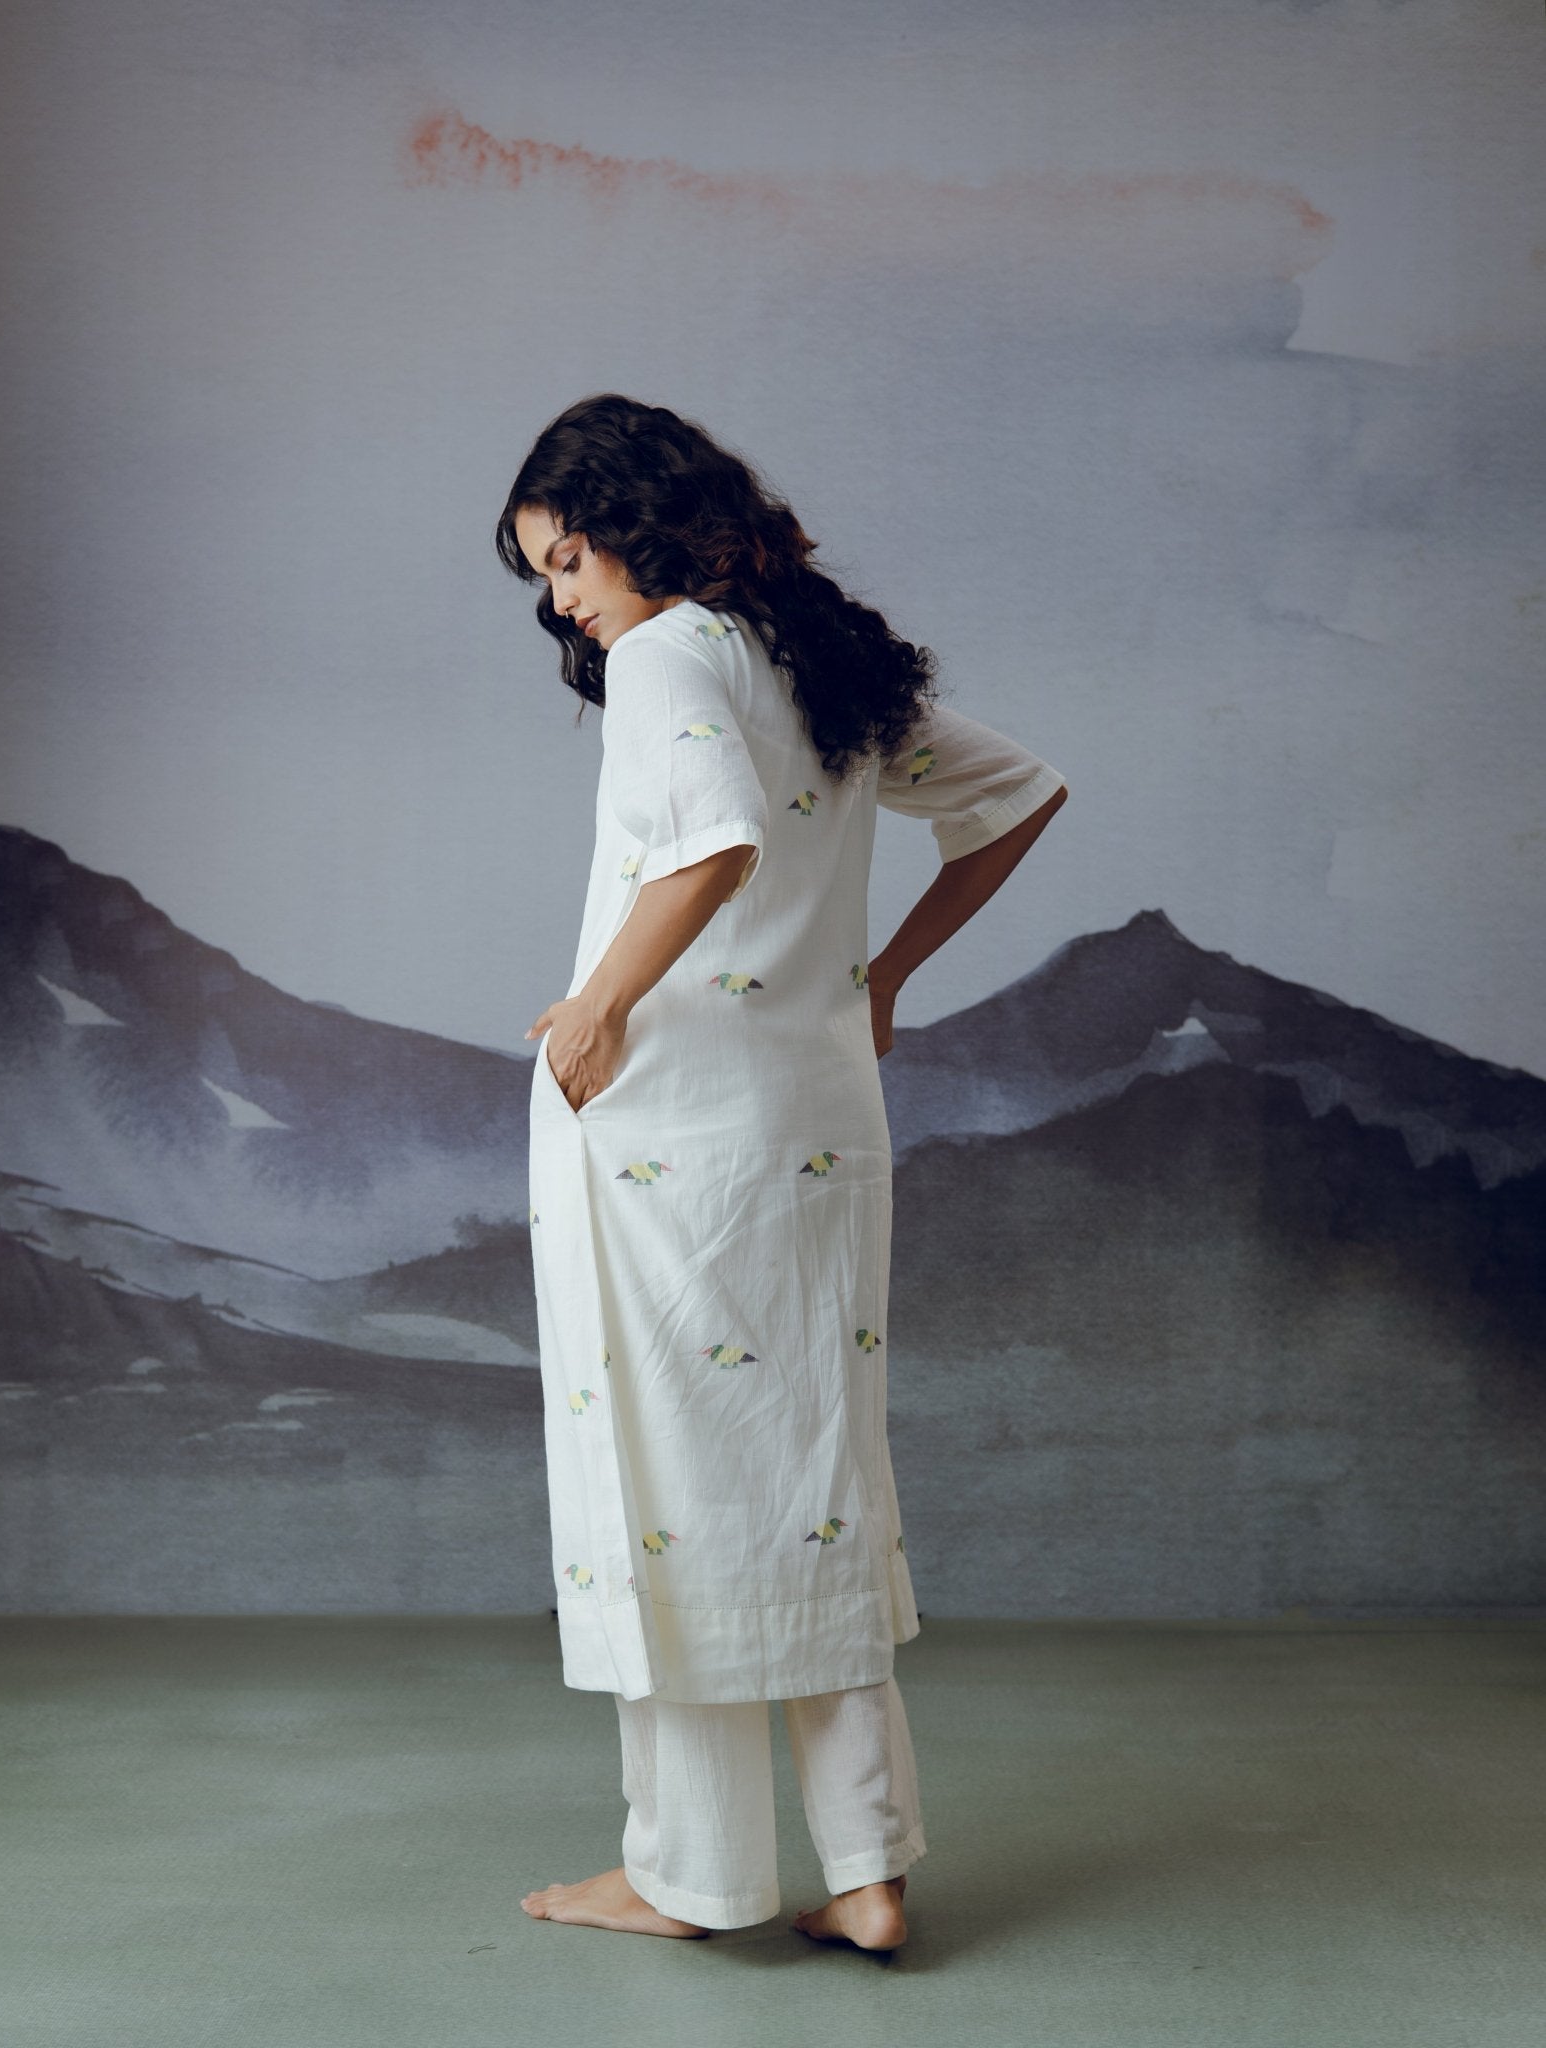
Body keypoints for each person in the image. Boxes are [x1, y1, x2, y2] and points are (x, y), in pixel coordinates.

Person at [494, 394, 1068, 1951]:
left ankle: (687, 1875)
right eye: (545, 579)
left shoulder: (667, 650)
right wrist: (885, 976)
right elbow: (1018, 796)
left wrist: (597, 1006)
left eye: (567, 560)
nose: (564, 599)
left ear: (633, 522)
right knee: (810, 1474)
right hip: (815, 1116)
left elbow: (715, 843)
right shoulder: (814, 660)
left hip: (671, 1125)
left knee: (667, 1485)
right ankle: (865, 1871)